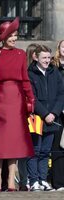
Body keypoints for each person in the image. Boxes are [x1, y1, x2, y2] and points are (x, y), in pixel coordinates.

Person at [0, 17, 35, 192]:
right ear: (3, 37)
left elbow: (25, 79)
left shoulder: (21, 54)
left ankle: (12, 181)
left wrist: (31, 100)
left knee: (13, 142)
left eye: (16, 35)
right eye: (11, 35)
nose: (15, 38)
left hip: (16, 102)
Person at [27, 45, 64, 191]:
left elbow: (61, 94)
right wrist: (44, 114)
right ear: (36, 57)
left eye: (49, 58)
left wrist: (53, 113)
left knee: (45, 151)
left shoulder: (55, 73)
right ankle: (33, 180)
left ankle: (42, 180)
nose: (47, 61)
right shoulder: (30, 73)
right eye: (44, 58)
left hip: (52, 118)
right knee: (35, 150)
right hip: (36, 118)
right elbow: (32, 97)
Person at [18, 43, 40, 191]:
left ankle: (27, 179)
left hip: (32, 114)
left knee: (30, 148)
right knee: (27, 148)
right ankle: (24, 179)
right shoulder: (27, 73)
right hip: (28, 113)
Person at [50, 40, 64, 191]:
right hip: (58, 111)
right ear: (59, 49)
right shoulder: (54, 67)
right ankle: (58, 182)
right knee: (58, 147)